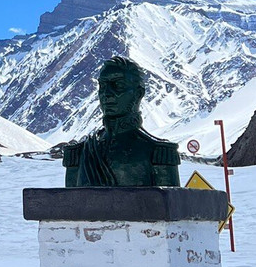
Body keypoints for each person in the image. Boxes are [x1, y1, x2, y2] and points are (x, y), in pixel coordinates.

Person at [62, 56, 180, 187]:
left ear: (138, 93)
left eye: (118, 85)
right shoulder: (81, 151)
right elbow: (71, 204)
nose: (107, 93)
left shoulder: (158, 151)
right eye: (103, 86)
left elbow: (169, 204)